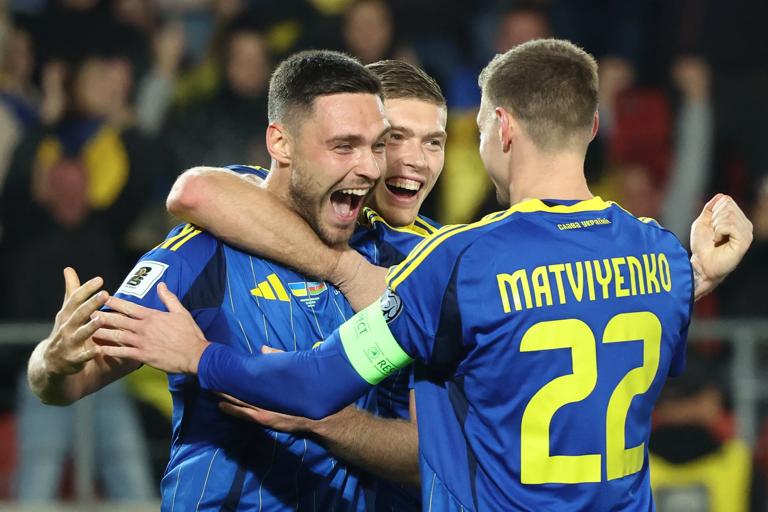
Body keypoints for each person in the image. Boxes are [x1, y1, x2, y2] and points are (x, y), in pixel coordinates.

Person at [92, 40, 753, 510]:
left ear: (501, 128)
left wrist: (202, 359)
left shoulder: (459, 264)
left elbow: (318, 383)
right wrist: (700, 270)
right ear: (594, 124)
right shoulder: (660, 259)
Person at [26, 50, 391, 511]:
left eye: (378, 146)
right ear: (281, 144)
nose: (372, 167)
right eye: (344, 146)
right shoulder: (203, 251)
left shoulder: (379, 250)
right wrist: (53, 363)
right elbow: (67, 382)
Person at [166, 58, 448, 511]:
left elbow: (445, 456)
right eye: (393, 138)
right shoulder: (252, 211)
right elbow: (198, 191)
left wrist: (321, 420)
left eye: (433, 141)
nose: (412, 159)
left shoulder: (442, 259)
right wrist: (346, 269)